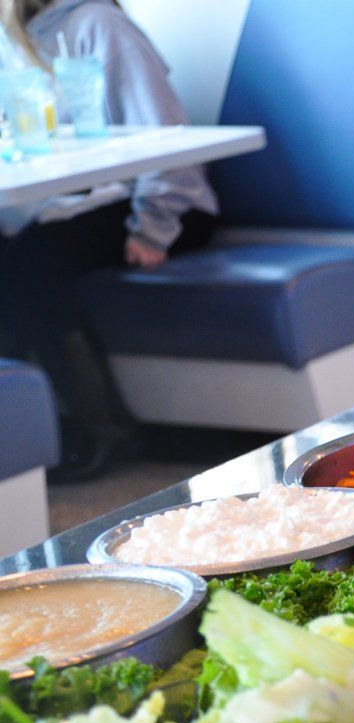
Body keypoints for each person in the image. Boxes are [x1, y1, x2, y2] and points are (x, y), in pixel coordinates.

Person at [0, 0, 217, 480]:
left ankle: (104, 429)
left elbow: (168, 139)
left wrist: (154, 226)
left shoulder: (97, 24)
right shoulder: (11, 39)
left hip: (165, 204)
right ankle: (37, 436)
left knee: (27, 267)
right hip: (74, 205)